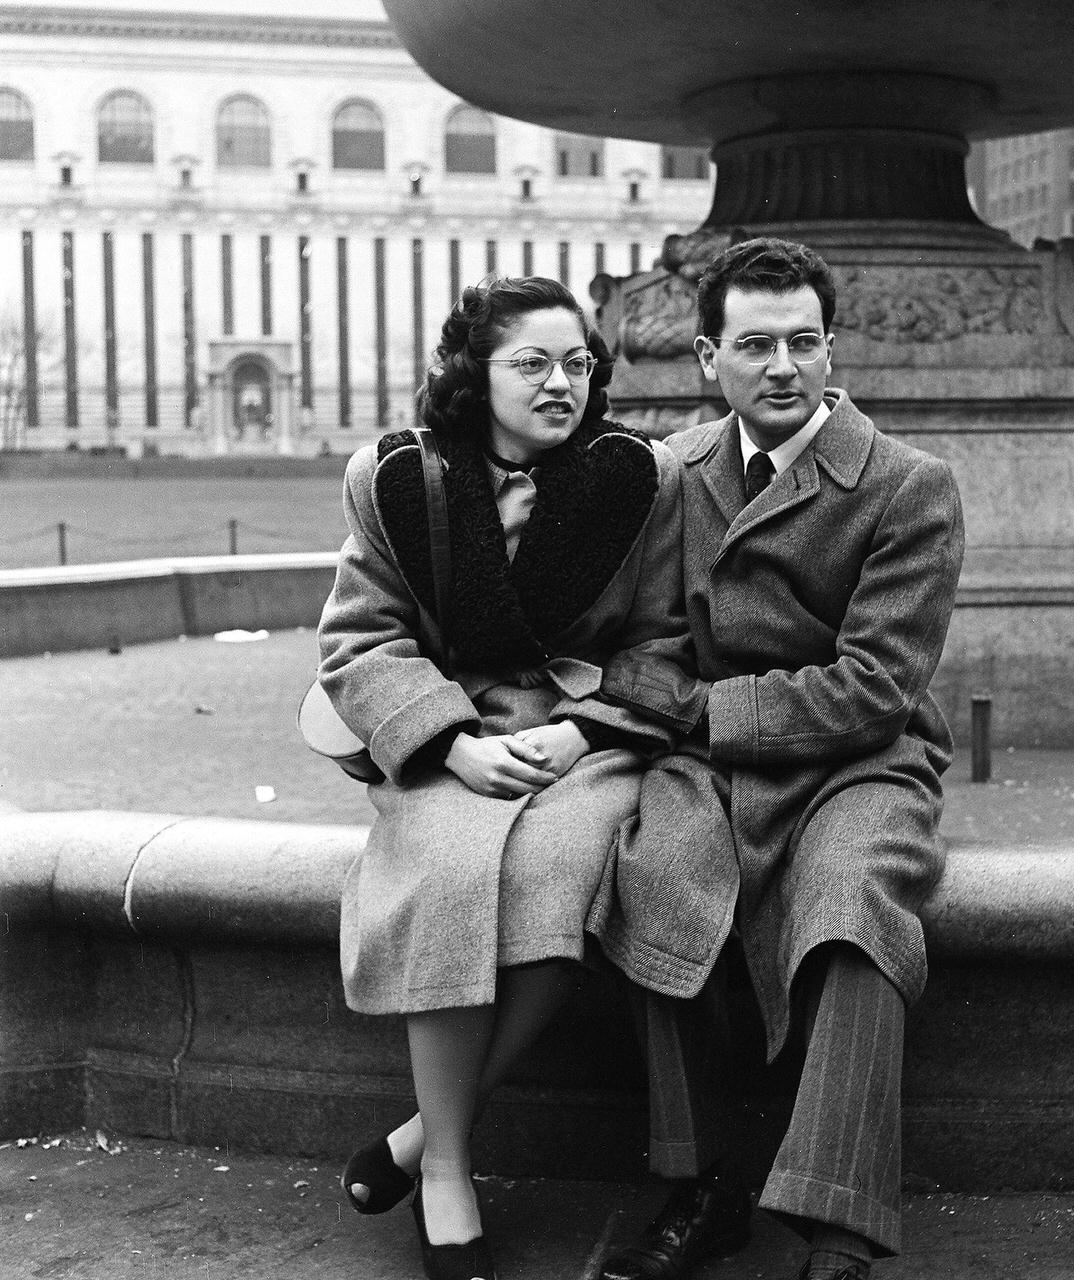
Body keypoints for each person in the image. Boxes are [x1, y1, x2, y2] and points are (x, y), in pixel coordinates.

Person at [590, 238, 965, 1280]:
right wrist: (679, 698)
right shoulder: (671, 474)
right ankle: (699, 1181)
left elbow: (876, 685)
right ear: (709, 354)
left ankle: (838, 1222)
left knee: (852, 904)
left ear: (830, 347)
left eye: (803, 340)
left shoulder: (908, 485)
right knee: (652, 877)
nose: (782, 366)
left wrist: (704, 706)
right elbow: (641, 641)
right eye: (754, 344)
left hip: (864, 758)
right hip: (709, 759)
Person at [317, 276, 704, 1280]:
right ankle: (444, 1167)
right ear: (473, 371)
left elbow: (665, 641)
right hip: (453, 740)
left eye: (577, 362)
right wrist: (449, 742)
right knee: (446, 873)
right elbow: (360, 641)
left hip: (584, 741)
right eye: (531, 362)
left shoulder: (638, 477)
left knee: (561, 876)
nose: (560, 382)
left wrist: (586, 734)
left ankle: (413, 1135)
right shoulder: (399, 475)